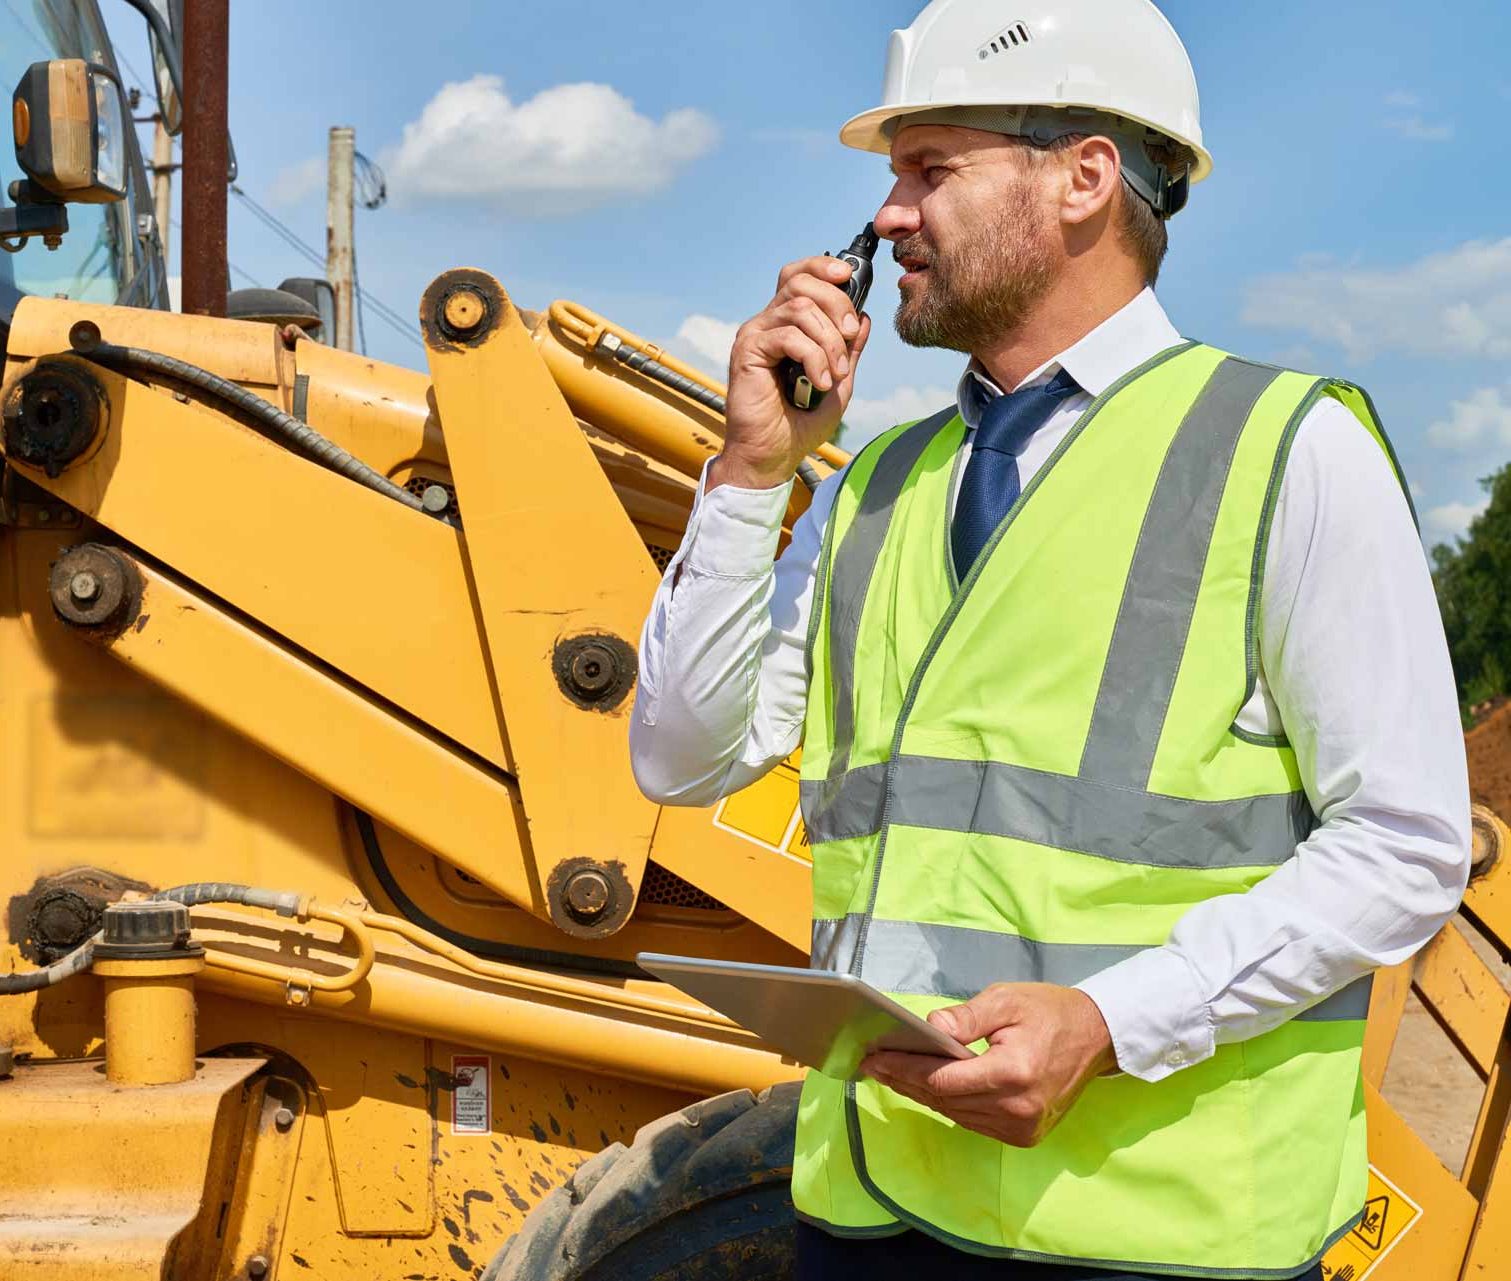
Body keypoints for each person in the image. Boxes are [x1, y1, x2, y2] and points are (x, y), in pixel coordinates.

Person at [628, 1, 1471, 1277]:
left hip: (1161, 1234)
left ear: (1082, 179)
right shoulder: (871, 488)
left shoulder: (1287, 451)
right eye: (891, 178)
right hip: (876, 1207)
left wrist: (1109, 1020)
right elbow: (679, 759)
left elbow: (1408, 846)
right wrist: (751, 473)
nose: (887, 217)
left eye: (931, 168)